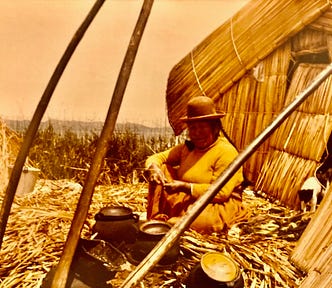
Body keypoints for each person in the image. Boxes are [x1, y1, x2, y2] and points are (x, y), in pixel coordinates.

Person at [144, 96, 249, 234]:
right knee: (162, 169)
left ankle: (175, 222)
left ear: (215, 127)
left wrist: (186, 187)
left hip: (214, 205)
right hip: (187, 200)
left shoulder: (226, 152)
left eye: (202, 127)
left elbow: (221, 193)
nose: (197, 133)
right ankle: (156, 219)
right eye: (193, 128)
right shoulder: (187, 148)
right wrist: (153, 168)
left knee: (198, 221)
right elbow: (157, 157)